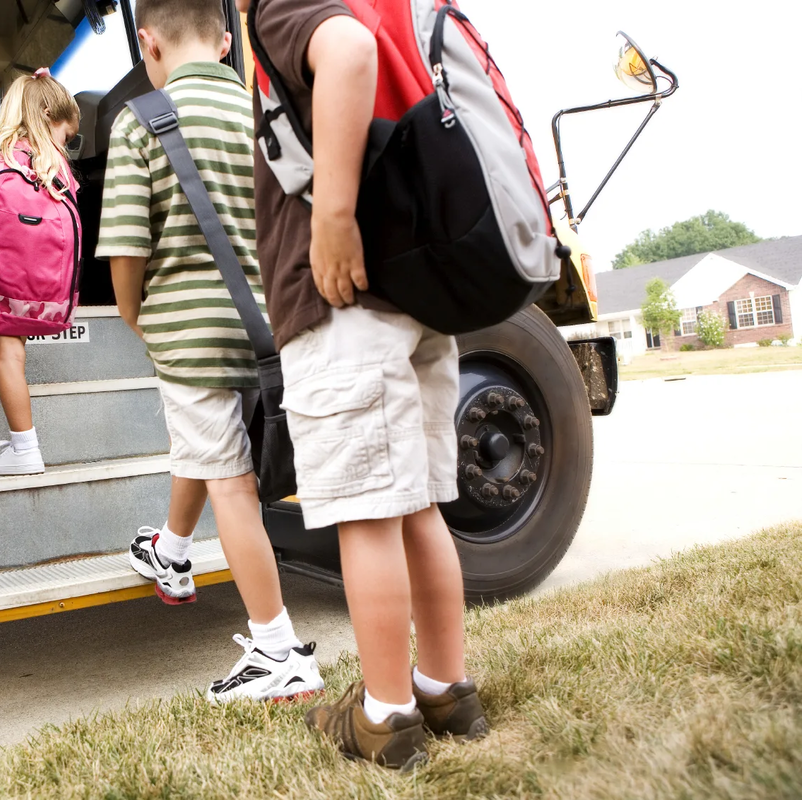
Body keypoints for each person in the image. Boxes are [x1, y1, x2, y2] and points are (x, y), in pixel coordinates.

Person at [241, 0, 488, 770]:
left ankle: (385, 715)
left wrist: (333, 216)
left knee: (368, 514)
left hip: (343, 298)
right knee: (417, 507)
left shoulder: (286, 6)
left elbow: (346, 53)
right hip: (416, 290)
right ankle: (446, 687)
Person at [96, 0, 324, 703]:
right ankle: (170, 552)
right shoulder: (264, 113)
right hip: (271, 325)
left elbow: (128, 246)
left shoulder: (142, 119)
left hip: (190, 331)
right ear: (228, 41)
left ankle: (276, 647)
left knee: (229, 479)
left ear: (148, 43)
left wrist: (139, 318)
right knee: (212, 447)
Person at [0, 71, 82, 476]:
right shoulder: (55, 164)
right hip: (38, 286)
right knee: (15, 353)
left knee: (7, 353)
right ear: (47, 115)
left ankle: (25, 447)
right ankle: (22, 446)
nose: (65, 143)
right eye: (66, 133)